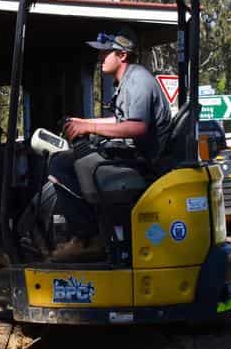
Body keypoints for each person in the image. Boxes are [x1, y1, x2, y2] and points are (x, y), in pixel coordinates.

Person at [40, 27, 170, 260]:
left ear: (122, 55)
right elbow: (121, 120)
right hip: (135, 157)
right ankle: (96, 233)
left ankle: (87, 238)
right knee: (74, 161)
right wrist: (83, 121)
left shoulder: (138, 80)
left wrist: (89, 128)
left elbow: (137, 127)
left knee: (62, 164)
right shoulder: (129, 80)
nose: (100, 58)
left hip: (144, 162)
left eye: (105, 53)